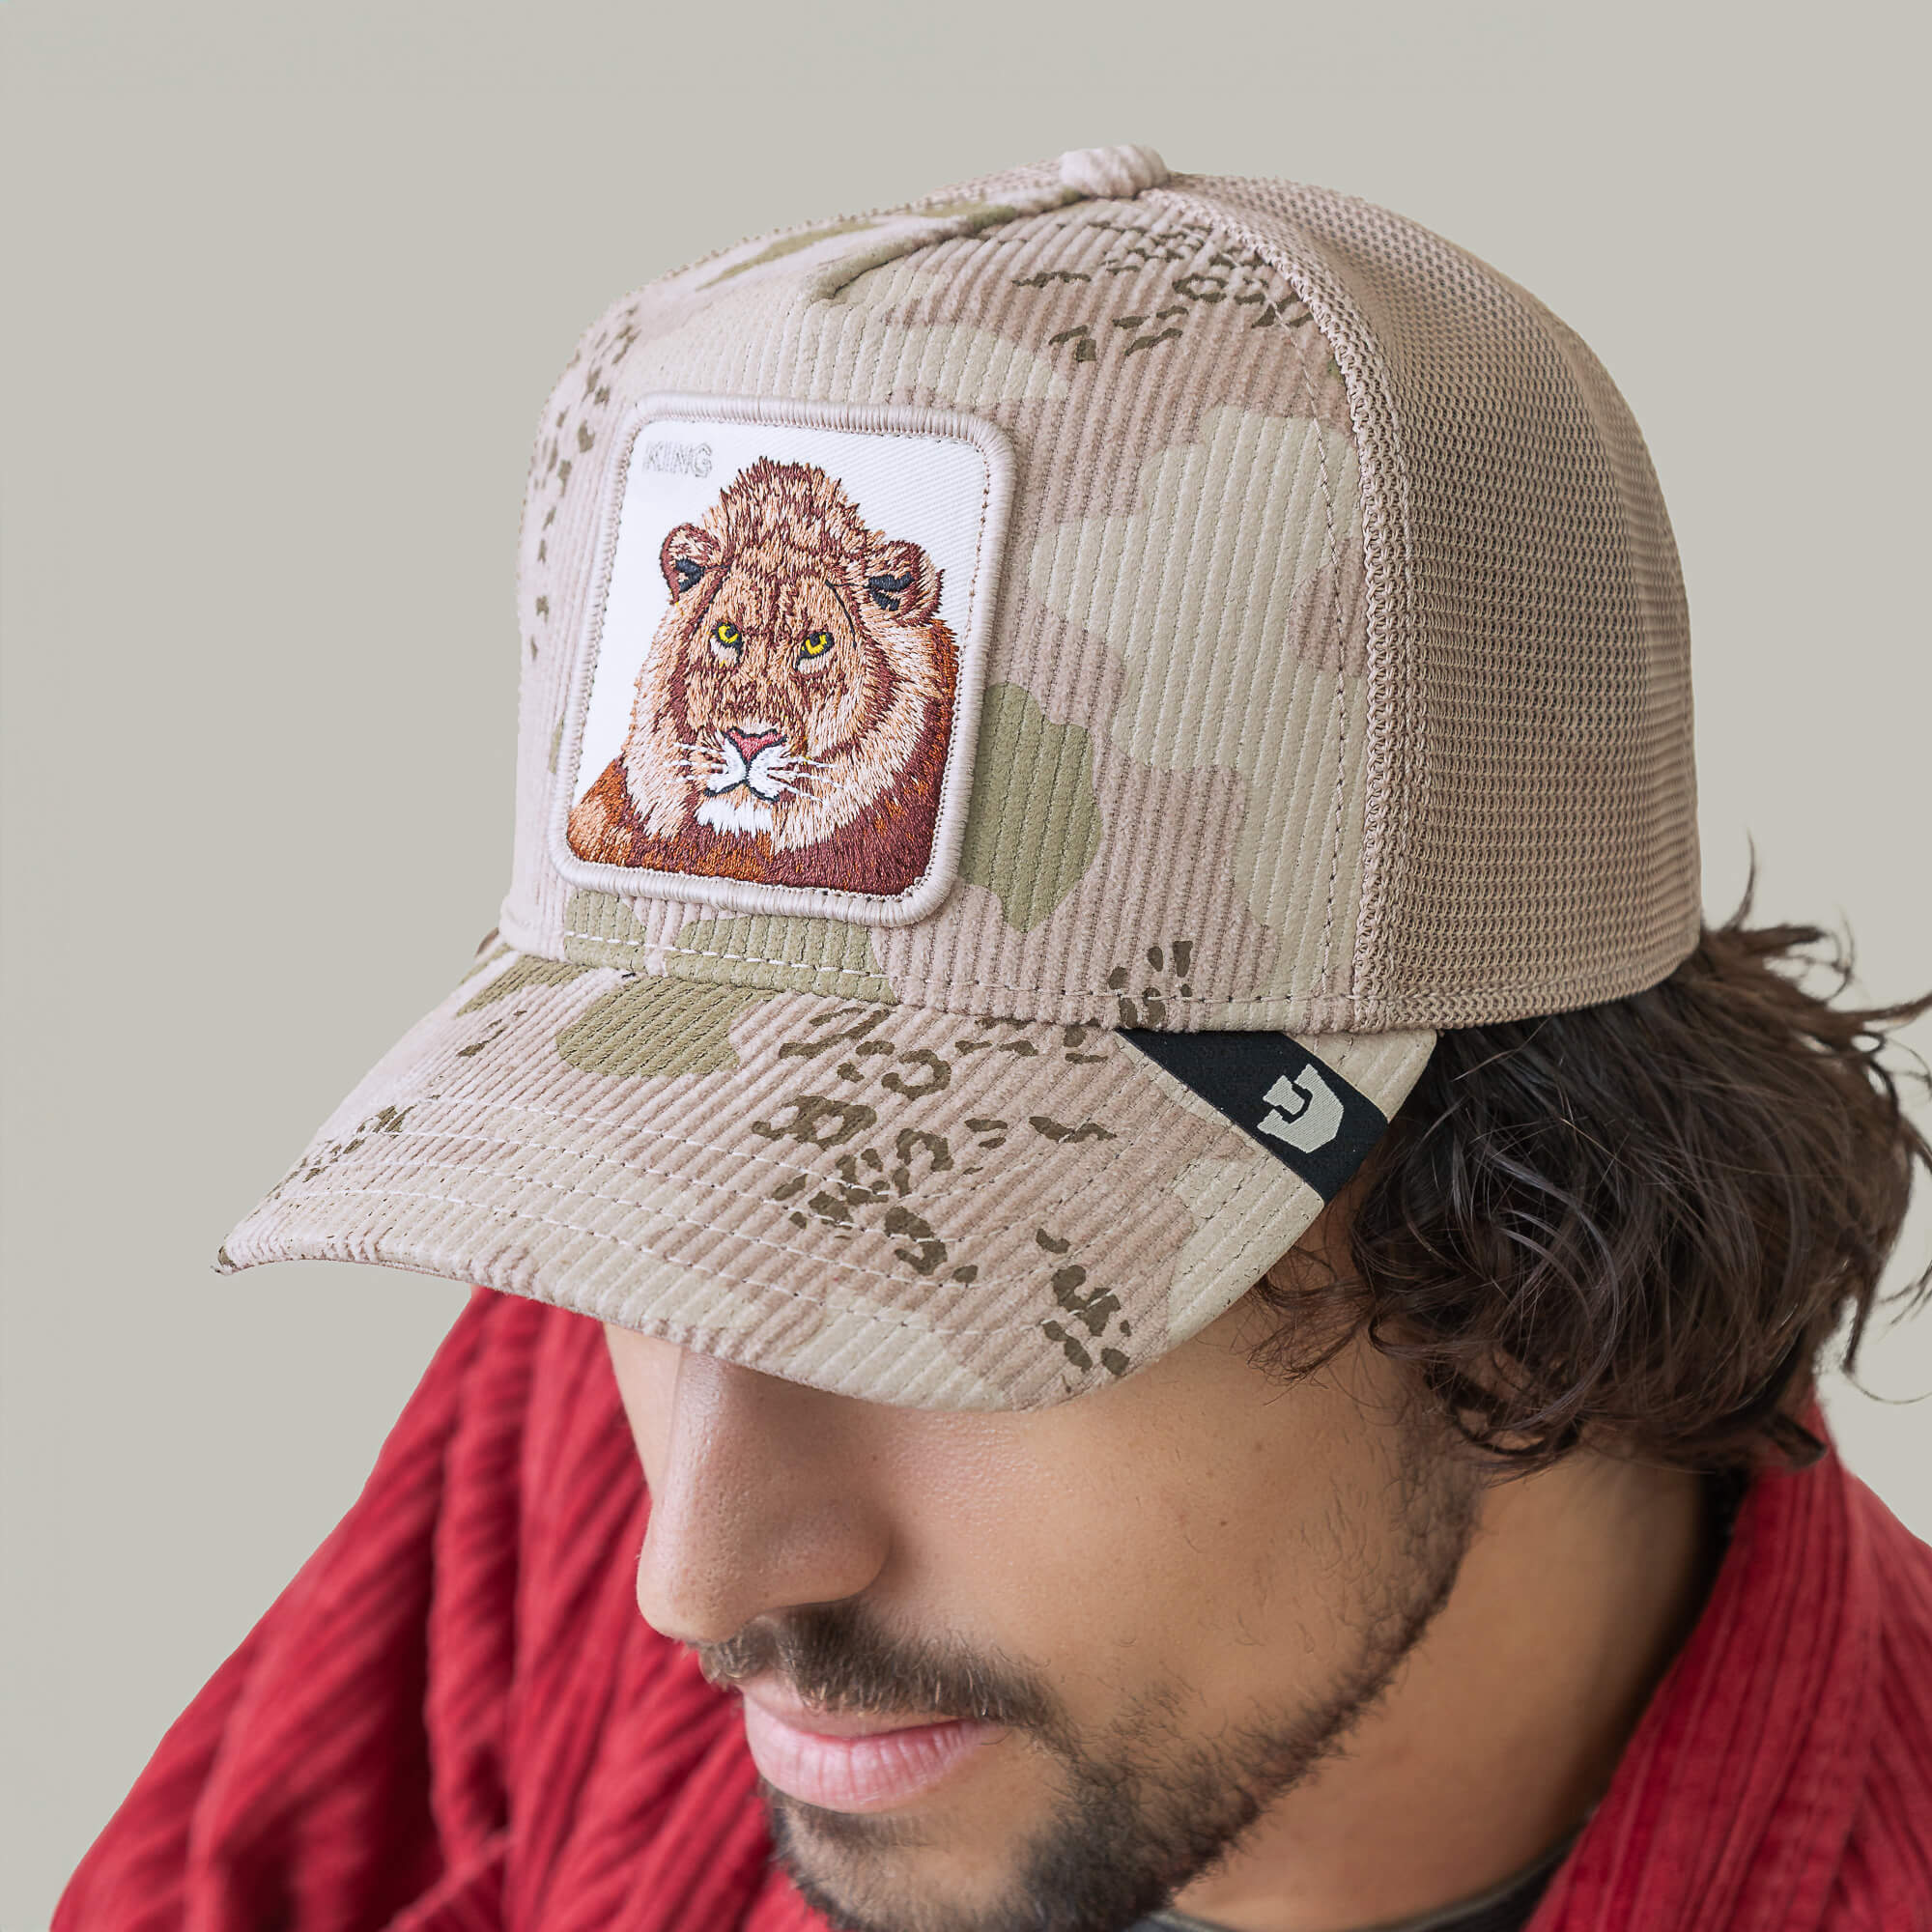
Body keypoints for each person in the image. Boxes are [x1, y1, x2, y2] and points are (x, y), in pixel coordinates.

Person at [59, 146, 1932, 1932]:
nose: (690, 1571)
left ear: (1543, 1262)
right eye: (652, 1217)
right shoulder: (560, 1418)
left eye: (937, 1279)